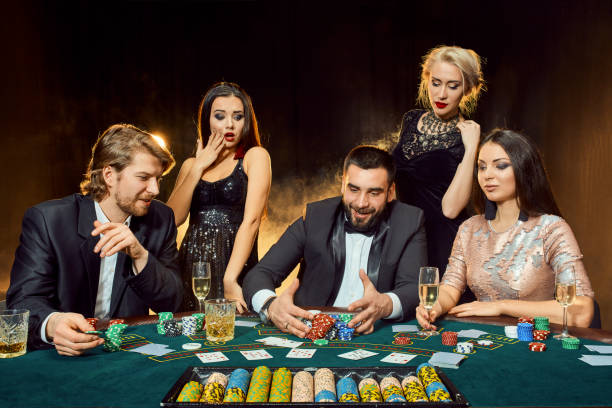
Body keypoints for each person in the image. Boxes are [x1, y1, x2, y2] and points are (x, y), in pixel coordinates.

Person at [7, 124, 183, 355]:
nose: (155, 189)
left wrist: (140, 255)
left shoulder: (161, 218)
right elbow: (23, 302)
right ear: (109, 175)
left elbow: (173, 303)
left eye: (158, 178)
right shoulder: (49, 220)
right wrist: (53, 323)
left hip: (126, 353)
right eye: (144, 177)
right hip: (61, 354)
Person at [417, 129, 595, 330]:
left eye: (500, 166)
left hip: (535, 338)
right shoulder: (469, 228)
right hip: (484, 337)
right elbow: (450, 288)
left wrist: (500, 307)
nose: (487, 175)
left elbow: (582, 312)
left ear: (524, 169)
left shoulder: (551, 228)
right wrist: (434, 306)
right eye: (482, 167)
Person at [242, 146, 427, 337]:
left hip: (374, 336)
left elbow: (414, 287)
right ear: (343, 185)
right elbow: (260, 274)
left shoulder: (409, 220)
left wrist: (385, 304)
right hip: (310, 333)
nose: (361, 203)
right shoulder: (316, 216)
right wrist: (271, 306)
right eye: (354, 189)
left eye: (373, 193)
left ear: (390, 193)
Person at [392, 46, 485, 302]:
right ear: (427, 79)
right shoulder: (410, 120)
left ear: (467, 89)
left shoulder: (467, 135)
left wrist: (471, 149)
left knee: (437, 320)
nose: (441, 94)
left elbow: (452, 210)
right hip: (407, 233)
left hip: (443, 240)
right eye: (436, 83)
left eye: (453, 86)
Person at [167, 82, 271, 313]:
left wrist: (229, 279)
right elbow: (172, 219)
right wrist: (198, 167)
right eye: (220, 116)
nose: (230, 124)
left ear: (246, 121)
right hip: (193, 267)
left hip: (234, 263)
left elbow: (252, 221)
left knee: (235, 336)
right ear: (207, 120)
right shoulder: (191, 165)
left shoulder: (255, 157)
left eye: (238, 116)